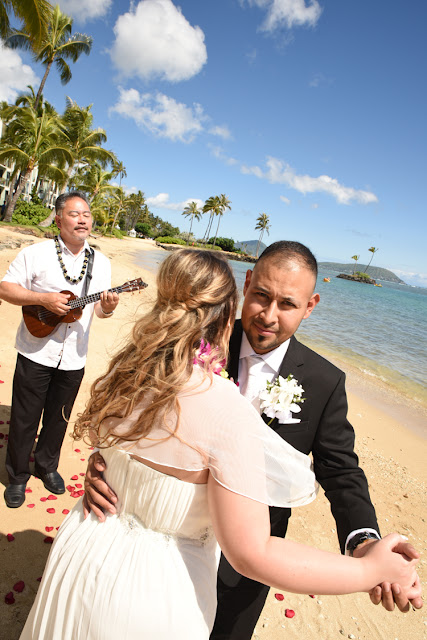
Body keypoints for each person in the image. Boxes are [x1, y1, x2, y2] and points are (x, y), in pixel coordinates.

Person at [20, 249, 418, 640]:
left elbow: (341, 469)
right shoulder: (183, 344)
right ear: (244, 286)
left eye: (288, 304)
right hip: (177, 556)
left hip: (239, 573)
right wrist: (104, 464)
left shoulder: (324, 381)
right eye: (261, 296)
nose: (268, 315)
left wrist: (364, 543)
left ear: (311, 305)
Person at [0, 191, 119, 509]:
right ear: (58, 218)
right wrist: (42, 299)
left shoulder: (101, 263)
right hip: (36, 349)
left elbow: (100, 313)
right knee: (24, 417)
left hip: (74, 355)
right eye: (75, 213)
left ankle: (46, 466)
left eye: (87, 214)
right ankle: (17, 476)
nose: (83, 219)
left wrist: (108, 307)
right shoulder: (36, 253)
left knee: (59, 417)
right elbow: (5, 288)